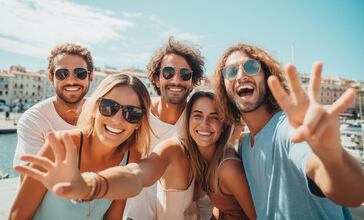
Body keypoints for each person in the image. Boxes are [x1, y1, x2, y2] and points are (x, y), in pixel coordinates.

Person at [14, 91, 257, 220]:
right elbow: (138, 174)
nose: (204, 123)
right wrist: (92, 185)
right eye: (197, 115)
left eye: (214, 116)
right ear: (187, 119)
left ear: (224, 124)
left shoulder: (227, 166)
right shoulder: (177, 149)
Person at [213, 43, 364, 219]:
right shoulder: (245, 146)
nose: (241, 76)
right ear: (224, 88)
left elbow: (352, 193)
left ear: (267, 76)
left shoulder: (288, 130)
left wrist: (332, 157)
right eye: (231, 71)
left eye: (251, 67)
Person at [9, 74, 151, 220]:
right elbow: (17, 215)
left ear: (139, 122)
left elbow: (114, 217)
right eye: (109, 107)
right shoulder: (60, 145)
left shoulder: (131, 155)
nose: (117, 120)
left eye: (132, 113)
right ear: (95, 108)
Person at [123, 36, 211, 219]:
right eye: (168, 73)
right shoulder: (138, 115)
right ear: (156, 79)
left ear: (193, 81)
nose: (176, 80)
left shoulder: (200, 123)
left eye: (185, 75)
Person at [13, 43, 94, 183]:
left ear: (90, 77)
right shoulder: (33, 120)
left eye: (80, 73)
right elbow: (33, 180)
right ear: (51, 78)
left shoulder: (104, 114)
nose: (71, 80)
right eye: (62, 74)